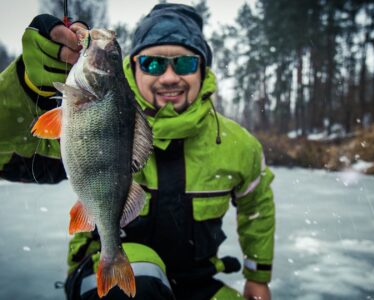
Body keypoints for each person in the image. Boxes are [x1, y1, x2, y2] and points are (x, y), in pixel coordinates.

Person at [0, 3, 275, 300]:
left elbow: (257, 207)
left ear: (203, 69)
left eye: (184, 64)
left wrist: (258, 276)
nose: (169, 77)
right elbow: (6, 154)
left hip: (197, 283)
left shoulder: (240, 145)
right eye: (153, 64)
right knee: (140, 284)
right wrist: (26, 89)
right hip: (110, 273)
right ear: (132, 68)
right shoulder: (88, 120)